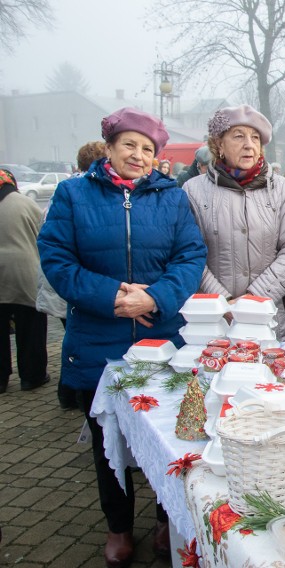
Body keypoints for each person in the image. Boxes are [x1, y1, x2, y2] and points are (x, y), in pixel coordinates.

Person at [38, 107, 207, 566]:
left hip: (161, 339)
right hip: (98, 338)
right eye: (128, 145)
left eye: (147, 149)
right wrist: (113, 296)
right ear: (108, 148)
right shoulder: (73, 194)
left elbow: (191, 256)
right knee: (108, 441)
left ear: (156, 157)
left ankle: (165, 517)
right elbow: (56, 258)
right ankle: (117, 528)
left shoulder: (171, 197)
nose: (138, 155)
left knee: (168, 436)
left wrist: (154, 299)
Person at [184, 104, 285, 341]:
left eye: (255, 138)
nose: (249, 144)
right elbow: (189, 253)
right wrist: (223, 302)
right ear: (219, 143)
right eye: (238, 136)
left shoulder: (279, 187)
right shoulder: (193, 190)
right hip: (216, 319)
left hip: (271, 317)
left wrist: (256, 297)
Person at [38, 141, 107, 409]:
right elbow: (58, 248)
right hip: (76, 286)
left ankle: (69, 395)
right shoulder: (71, 193)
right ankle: (73, 394)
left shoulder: (63, 192)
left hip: (68, 286)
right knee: (78, 344)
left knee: (74, 341)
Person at [0, 168, 49, 394]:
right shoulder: (23, 203)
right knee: (31, 326)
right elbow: (45, 234)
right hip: (24, 271)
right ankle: (32, 376)